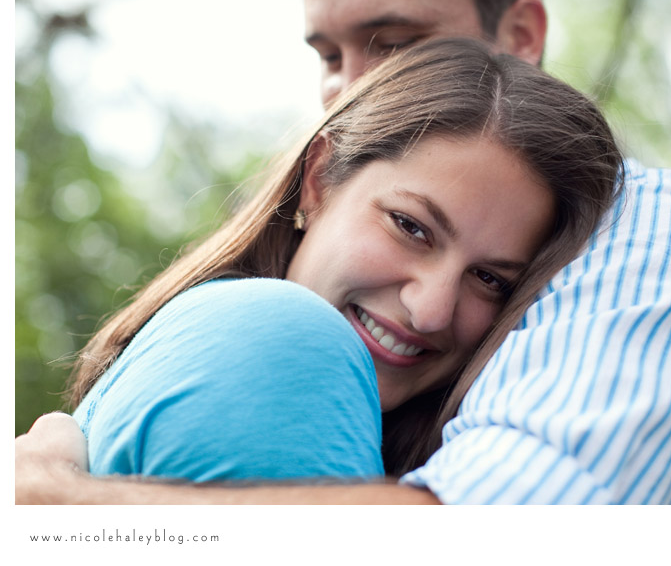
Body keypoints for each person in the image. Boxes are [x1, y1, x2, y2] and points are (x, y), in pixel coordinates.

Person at [16, 0, 671, 504]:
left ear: (520, 35)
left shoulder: (643, 227)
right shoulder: (287, 336)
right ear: (318, 182)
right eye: (327, 56)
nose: (348, 91)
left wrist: (72, 503)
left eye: (396, 45)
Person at [60, 38, 624, 485]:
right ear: (319, 181)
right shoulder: (288, 340)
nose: (430, 311)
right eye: (411, 227)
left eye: (489, 279)